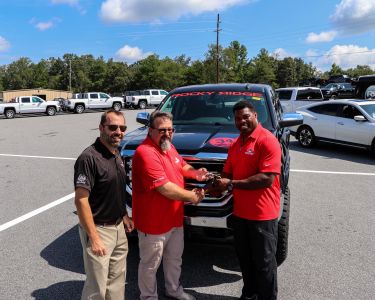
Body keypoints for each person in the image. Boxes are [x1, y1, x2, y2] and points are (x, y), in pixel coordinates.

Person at [132, 111, 208, 300]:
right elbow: (164, 188)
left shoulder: (168, 146)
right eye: (162, 130)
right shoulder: (145, 152)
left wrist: (196, 173)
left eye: (170, 129)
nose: (167, 133)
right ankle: (148, 297)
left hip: (174, 219)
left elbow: (181, 165)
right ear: (150, 130)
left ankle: (173, 290)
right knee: (150, 265)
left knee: (174, 260)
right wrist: (192, 196)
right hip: (153, 223)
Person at [211, 100, 281, 300]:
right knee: (245, 259)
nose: (241, 121)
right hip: (240, 213)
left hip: (262, 214)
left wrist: (230, 184)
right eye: (237, 118)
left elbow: (267, 179)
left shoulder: (267, 140)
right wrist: (213, 186)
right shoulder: (236, 144)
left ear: (255, 116)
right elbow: (226, 173)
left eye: (245, 117)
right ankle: (249, 293)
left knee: (265, 262)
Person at [74, 109, 134, 300]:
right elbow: (81, 200)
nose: (118, 131)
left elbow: (115, 189)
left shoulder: (116, 154)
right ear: (101, 128)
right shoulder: (89, 158)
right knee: (96, 288)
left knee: (116, 284)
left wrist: (123, 215)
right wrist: (94, 237)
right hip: (99, 230)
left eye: (122, 127)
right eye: (113, 127)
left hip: (118, 228)